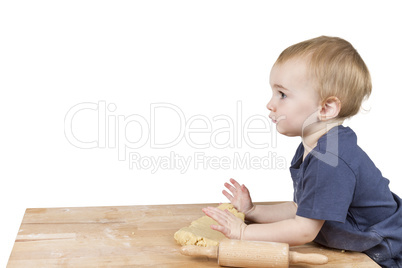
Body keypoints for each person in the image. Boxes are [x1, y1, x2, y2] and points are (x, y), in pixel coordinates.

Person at [202, 36, 402, 267]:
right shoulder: (316, 146)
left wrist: (243, 233)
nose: (270, 103)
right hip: (361, 246)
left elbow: (304, 230)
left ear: (326, 108)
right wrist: (253, 211)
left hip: (384, 253)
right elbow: (302, 210)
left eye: (282, 94)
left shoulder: (330, 159)